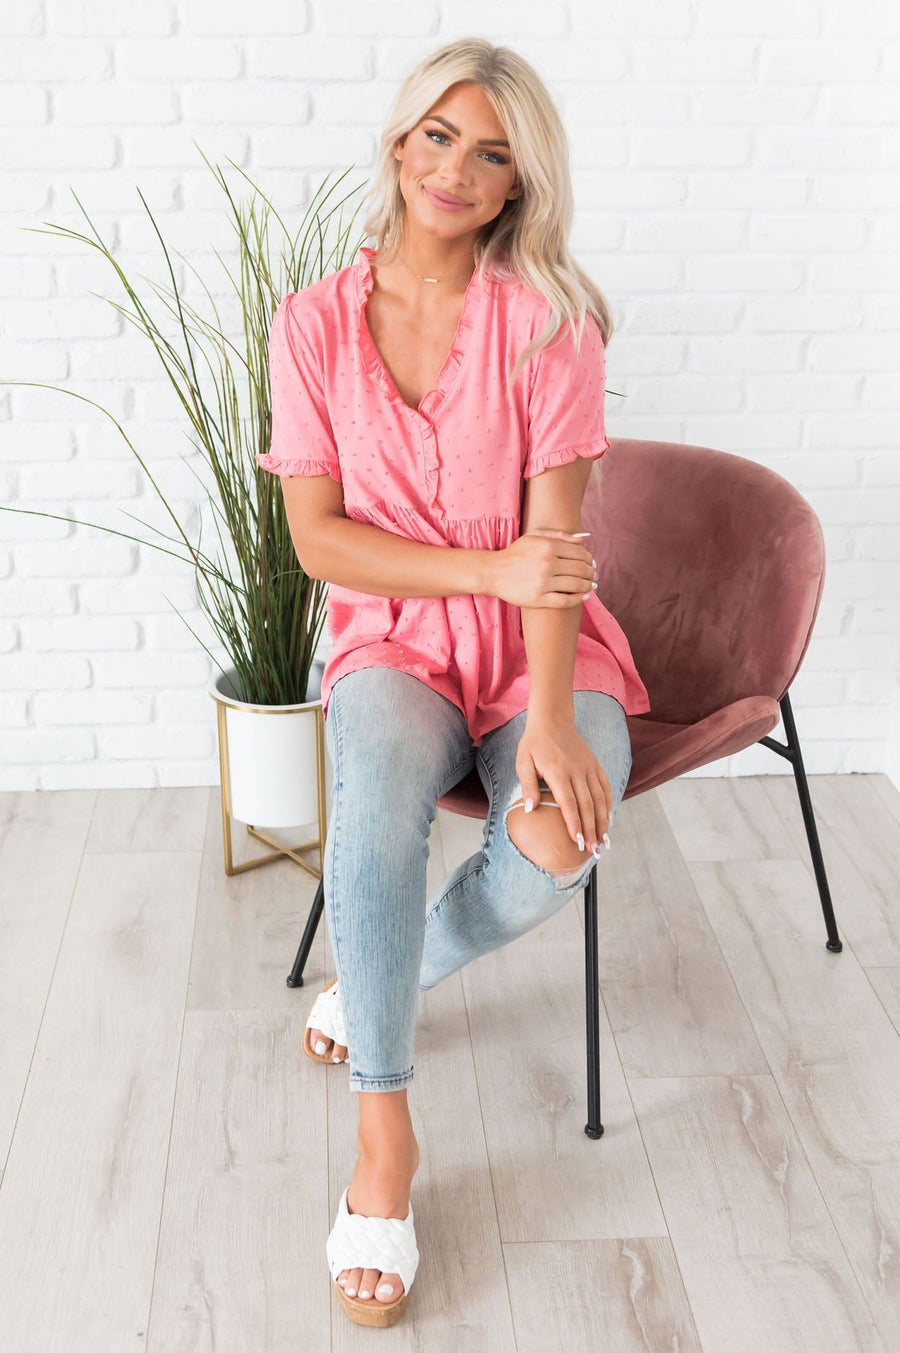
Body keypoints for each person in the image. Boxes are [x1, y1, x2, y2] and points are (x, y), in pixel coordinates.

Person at [256, 37, 650, 1328]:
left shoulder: (552, 323)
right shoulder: (313, 324)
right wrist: (481, 572)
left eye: (491, 154)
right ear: (399, 140)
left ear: (518, 183)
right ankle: (385, 1136)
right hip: (394, 640)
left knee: (554, 845)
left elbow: (557, 553)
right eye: (439, 135)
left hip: (543, 647)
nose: (456, 170)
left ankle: (394, 964)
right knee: (375, 803)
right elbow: (322, 542)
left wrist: (552, 718)